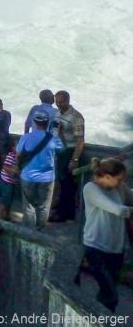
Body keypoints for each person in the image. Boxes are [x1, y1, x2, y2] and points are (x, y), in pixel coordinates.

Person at [74, 159, 133, 312]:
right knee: (110, 294)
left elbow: (130, 196)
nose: (121, 182)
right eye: (119, 179)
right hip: (95, 247)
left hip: (116, 249)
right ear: (107, 176)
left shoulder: (120, 188)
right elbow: (118, 209)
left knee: (108, 290)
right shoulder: (90, 188)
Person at [16, 111, 64, 231]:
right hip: (47, 178)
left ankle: (29, 231)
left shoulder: (26, 137)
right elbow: (61, 150)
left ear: (34, 122)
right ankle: (40, 231)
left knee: (28, 206)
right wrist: (58, 133)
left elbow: (18, 153)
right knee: (43, 206)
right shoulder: (53, 139)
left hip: (28, 176)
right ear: (47, 123)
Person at [51, 90, 85, 222]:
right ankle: (62, 210)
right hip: (59, 152)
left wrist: (74, 159)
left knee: (67, 184)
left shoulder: (76, 117)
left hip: (69, 152)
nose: (58, 104)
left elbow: (80, 141)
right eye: (57, 101)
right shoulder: (57, 113)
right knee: (61, 182)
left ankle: (64, 214)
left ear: (68, 101)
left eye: (61, 102)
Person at [0, 136, 19, 221]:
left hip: (11, 182)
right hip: (6, 181)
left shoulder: (18, 157)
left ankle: (7, 216)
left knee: (9, 200)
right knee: (5, 201)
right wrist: (13, 171)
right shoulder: (11, 156)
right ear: (13, 148)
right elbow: (5, 167)